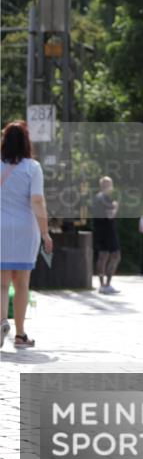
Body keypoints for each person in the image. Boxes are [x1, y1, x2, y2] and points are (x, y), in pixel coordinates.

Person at [0, 121, 53, 349]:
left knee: (1, 284)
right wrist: (45, 233)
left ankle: (2, 321)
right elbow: (37, 201)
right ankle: (20, 335)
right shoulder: (33, 167)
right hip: (25, 229)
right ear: (26, 142)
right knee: (21, 284)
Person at [92, 176, 122, 295]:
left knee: (102, 256)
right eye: (111, 184)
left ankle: (102, 285)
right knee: (116, 256)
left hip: (99, 230)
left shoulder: (97, 197)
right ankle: (107, 284)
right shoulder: (106, 198)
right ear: (106, 185)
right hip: (108, 230)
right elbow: (110, 215)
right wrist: (116, 206)